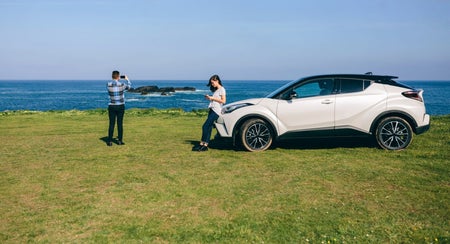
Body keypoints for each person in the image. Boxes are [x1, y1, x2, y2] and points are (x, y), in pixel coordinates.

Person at [196, 75, 226, 152]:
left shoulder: (222, 89)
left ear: (217, 81)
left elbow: (223, 101)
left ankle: (202, 143)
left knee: (205, 126)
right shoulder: (217, 90)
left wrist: (212, 98)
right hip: (212, 110)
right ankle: (205, 145)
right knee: (208, 127)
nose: (212, 84)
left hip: (216, 111)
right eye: (211, 83)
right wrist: (209, 98)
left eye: (213, 83)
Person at [106, 70, 131, 146]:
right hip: (120, 106)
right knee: (119, 123)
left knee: (111, 124)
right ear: (118, 76)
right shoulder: (122, 84)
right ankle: (120, 141)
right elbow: (129, 87)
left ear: (112, 76)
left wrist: (117, 79)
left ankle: (110, 141)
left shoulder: (108, 84)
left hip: (112, 106)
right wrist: (127, 79)